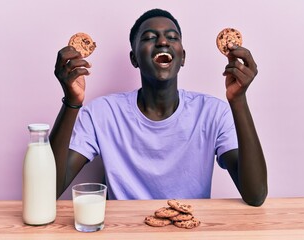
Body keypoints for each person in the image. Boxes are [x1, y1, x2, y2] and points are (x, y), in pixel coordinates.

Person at [50, 8, 268, 206]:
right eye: (149, 37)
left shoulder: (212, 113)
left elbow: (255, 194)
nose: (163, 42)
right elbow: (49, 190)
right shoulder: (102, 114)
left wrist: (238, 100)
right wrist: (71, 102)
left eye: (172, 37)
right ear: (134, 58)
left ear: (182, 57)